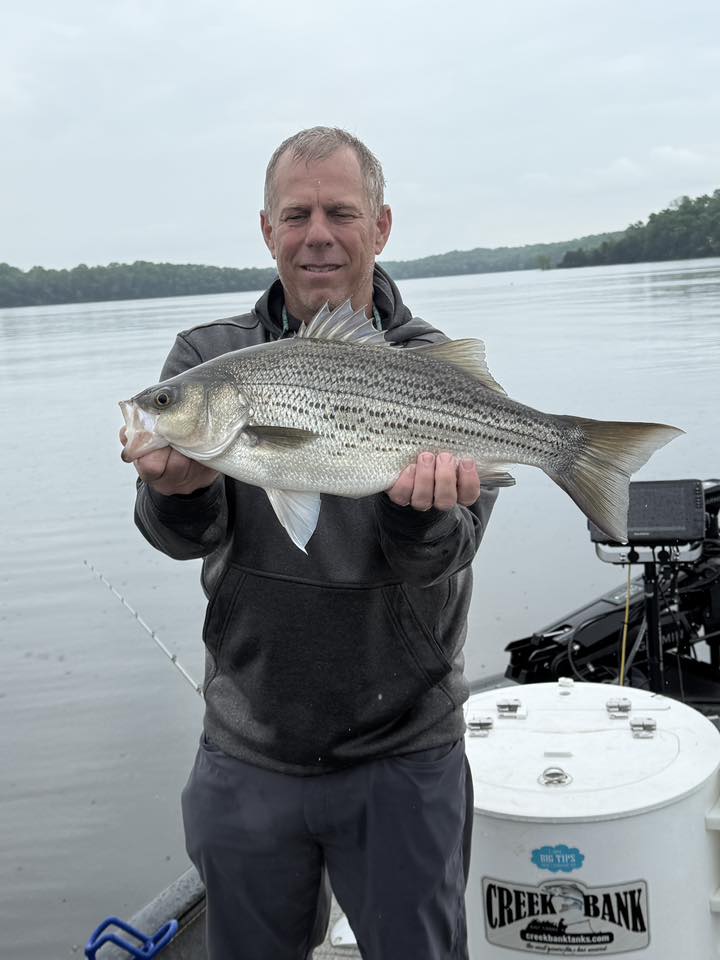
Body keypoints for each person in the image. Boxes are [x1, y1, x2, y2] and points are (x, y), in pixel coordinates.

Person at [122, 126, 498, 960]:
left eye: (340, 212)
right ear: (267, 230)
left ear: (382, 226)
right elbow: (181, 536)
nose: (317, 233)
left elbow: (449, 553)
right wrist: (169, 489)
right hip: (250, 750)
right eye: (296, 214)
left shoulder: (432, 364)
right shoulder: (208, 362)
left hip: (403, 752)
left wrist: (419, 514)